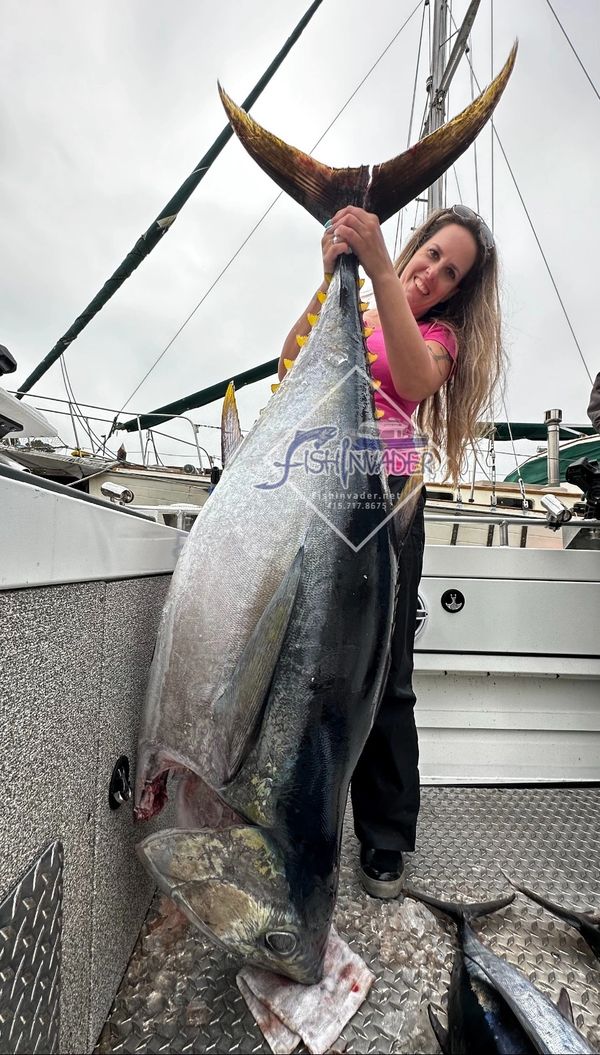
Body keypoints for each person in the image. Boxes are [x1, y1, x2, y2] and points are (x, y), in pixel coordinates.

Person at [278, 204, 504, 898]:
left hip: (386, 506)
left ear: (456, 293)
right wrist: (330, 280)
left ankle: (383, 833)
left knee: (384, 666)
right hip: (317, 496)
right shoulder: (361, 308)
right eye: (431, 253)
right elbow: (291, 365)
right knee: (303, 664)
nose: (432, 273)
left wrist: (378, 269)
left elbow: (409, 382)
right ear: (417, 245)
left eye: (450, 272)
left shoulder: (436, 336)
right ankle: (292, 822)